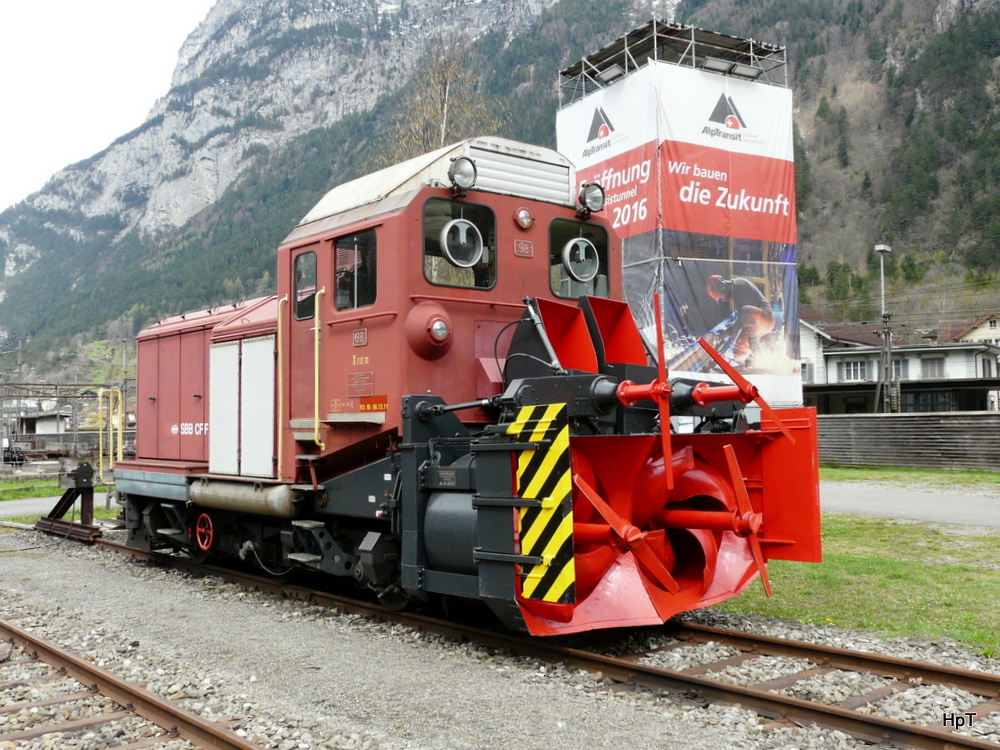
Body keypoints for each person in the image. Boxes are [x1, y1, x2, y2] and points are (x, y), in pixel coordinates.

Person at [705, 275, 775, 367]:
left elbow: (741, 321)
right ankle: (750, 360)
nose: (723, 299)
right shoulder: (735, 290)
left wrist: (724, 335)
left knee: (746, 311)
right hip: (758, 321)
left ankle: (757, 357)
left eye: (720, 296)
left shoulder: (739, 285)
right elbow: (738, 329)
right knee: (738, 351)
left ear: (721, 286)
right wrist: (719, 352)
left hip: (766, 318)